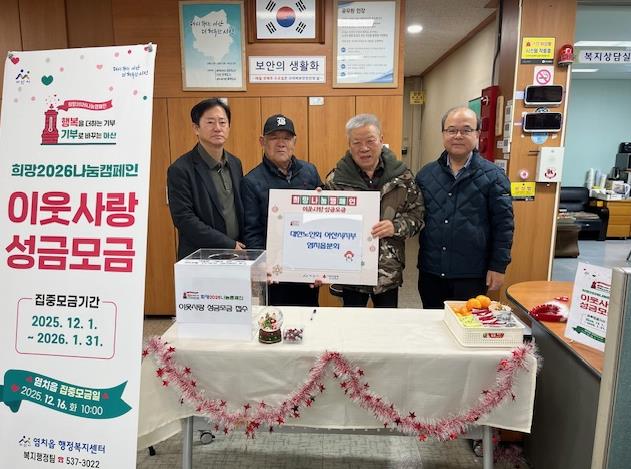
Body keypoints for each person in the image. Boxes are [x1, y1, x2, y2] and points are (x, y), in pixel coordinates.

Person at [415, 106, 514, 309]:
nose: (458, 136)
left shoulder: (494, 177)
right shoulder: (426, 175)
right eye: (451, 130)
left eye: (466, 130)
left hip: (472, 273)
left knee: (468, 322)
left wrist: (498, 266)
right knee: (431, 321)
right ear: (443, 134)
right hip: (431, 271)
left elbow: (504, 226)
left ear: (477, 134)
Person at [325, 114, 424, 308]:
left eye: (370, 141)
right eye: (357, 142)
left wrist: (395, 227)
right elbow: (325, 225)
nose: (364, 148)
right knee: (352, 322)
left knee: (386, 322)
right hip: (350, 270)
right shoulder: (335, 181)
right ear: (349, 145)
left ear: (381, 139)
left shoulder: (402, 177)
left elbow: (417, 215)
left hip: (388, 270)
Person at [242, 114, 322, 306]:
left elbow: (322, 221)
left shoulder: (310, 172)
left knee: (309, 316)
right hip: (274, 274)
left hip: (306, 267)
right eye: (274, 138)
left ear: (294, 141)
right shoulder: (251, 181)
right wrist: (262, 265)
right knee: (276, 317)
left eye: (286, 138)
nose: (281, 143)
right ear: (262, 141)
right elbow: (252, 230)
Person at [167, 98, 244, 260]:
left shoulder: (235, 163)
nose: (217, 128)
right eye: (210, 122)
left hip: (236, 254)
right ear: (196, 128)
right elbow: (184, 219)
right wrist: (227, 244)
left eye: (222, 122)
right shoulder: (180, 169)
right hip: (201, 257)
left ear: (229, 127)